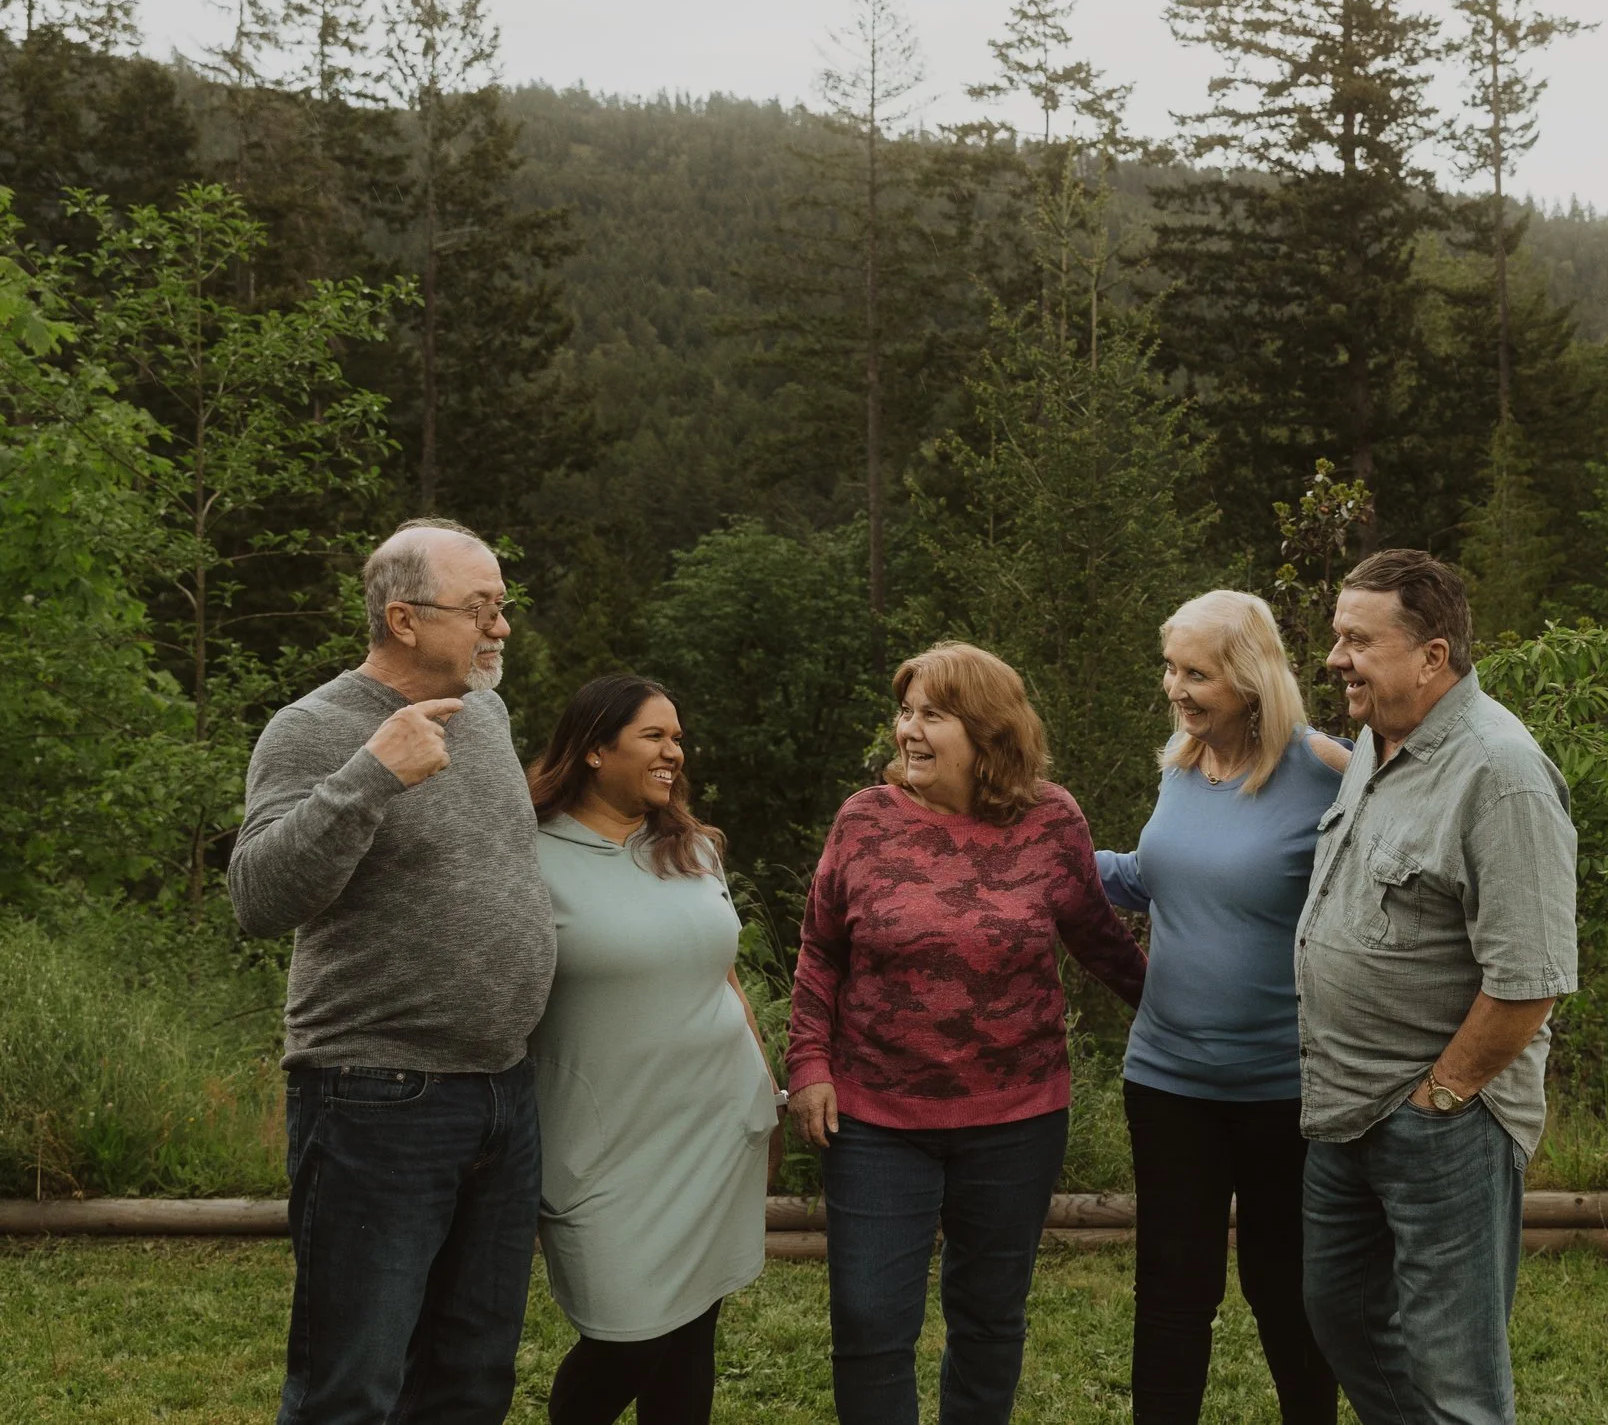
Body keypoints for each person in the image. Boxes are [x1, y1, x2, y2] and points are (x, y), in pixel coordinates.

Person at [228, 518, 555, 1425]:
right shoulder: (313, 728)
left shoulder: (484, 711)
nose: (501, 627)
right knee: (353, 1385)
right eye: (480, 607)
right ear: (404, 619)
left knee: (471, 1377)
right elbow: (258, 897)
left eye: (502, 604)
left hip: (502, 1089)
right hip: (377, 1097)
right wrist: (370, 774)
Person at [786, 642, 1147, 1425]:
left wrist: (1197, 1016)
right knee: (870, 1320)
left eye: (931, 715)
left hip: (1017, 1118)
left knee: (988, 1318)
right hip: (877, 1116)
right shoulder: (864, 819)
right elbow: (820, 951)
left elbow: (1101, 942)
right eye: (905, 710)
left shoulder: (1051, 819)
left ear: (987, 730)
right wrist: (809, 1061)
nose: (908, 729)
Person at [1294, 549, 1579, 1425]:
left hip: (1441, 1120)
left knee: (1455, 1370)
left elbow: (1530, 981)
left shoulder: (1501, 773)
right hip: (1345, 1109)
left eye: (1357, 640)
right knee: (1340, 1311)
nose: (1336, 657)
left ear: (1433, 655)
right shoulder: (1380, 744)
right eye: (1336, 635)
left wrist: (1441, 1097)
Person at [1094, 590, 1349, 1425]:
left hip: (1284, 1086)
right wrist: (1050, 849)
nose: (1176, 687)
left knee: (1284, 1286)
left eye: (1196, 672)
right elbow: (1152, 877)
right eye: (1170, 668)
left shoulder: (1328, 768)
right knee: (1172, 1288)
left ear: (1248, 679)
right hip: (1168, 1080)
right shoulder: (1181, 765)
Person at [525, 675, 785, 1425]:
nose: (674, 751)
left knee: (692, 1328)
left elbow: (726, 979)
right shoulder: (529, 853)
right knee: (626, 1337)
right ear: (596, 749)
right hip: (602, 1143)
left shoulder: (692, 848)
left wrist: (764, 1097)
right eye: (654, 736)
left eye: (677, 736)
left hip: (715, 1128)